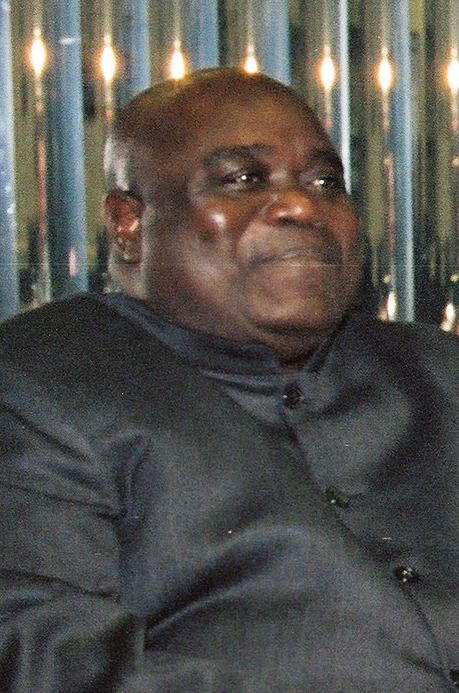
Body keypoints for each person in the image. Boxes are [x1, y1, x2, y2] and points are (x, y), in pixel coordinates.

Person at [0, 67, 458, 693]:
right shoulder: (39, 380)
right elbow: (40, 650)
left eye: (326, 183)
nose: (301, 206)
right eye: (243, 180)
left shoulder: (437, 370)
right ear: (129, 223)